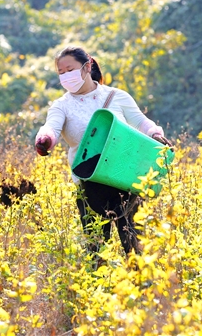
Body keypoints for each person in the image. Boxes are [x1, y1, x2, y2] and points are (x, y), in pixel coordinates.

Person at [35, 45, 172, 260]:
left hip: (125, 181)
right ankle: (98, 291)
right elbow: (51, 127)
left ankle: (142, 290)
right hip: (89, 186)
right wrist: (44, 140)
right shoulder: (62, 106)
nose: (65, 77)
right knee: (96, 253)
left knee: (136, 250)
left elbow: (141, 122)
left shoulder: (116, 96)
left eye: (69, 70)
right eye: (61, 73)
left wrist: (155, 134)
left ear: (87, 66)